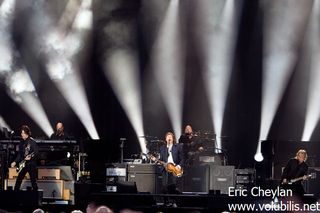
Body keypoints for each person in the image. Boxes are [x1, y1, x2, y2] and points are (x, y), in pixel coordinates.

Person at [11, 125, 38, 191]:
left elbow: (36, 152)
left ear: (27, 133)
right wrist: (15, 161)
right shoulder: (21, 143)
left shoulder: (32, 142)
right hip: (24, 164)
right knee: (18, 180)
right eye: (21, 133)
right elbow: (20, 154)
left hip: (31, 164)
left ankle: (36, 197)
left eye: (23, 133)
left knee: (33, 181)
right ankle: (15, 195)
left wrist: (30, 157)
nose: (21, 134)